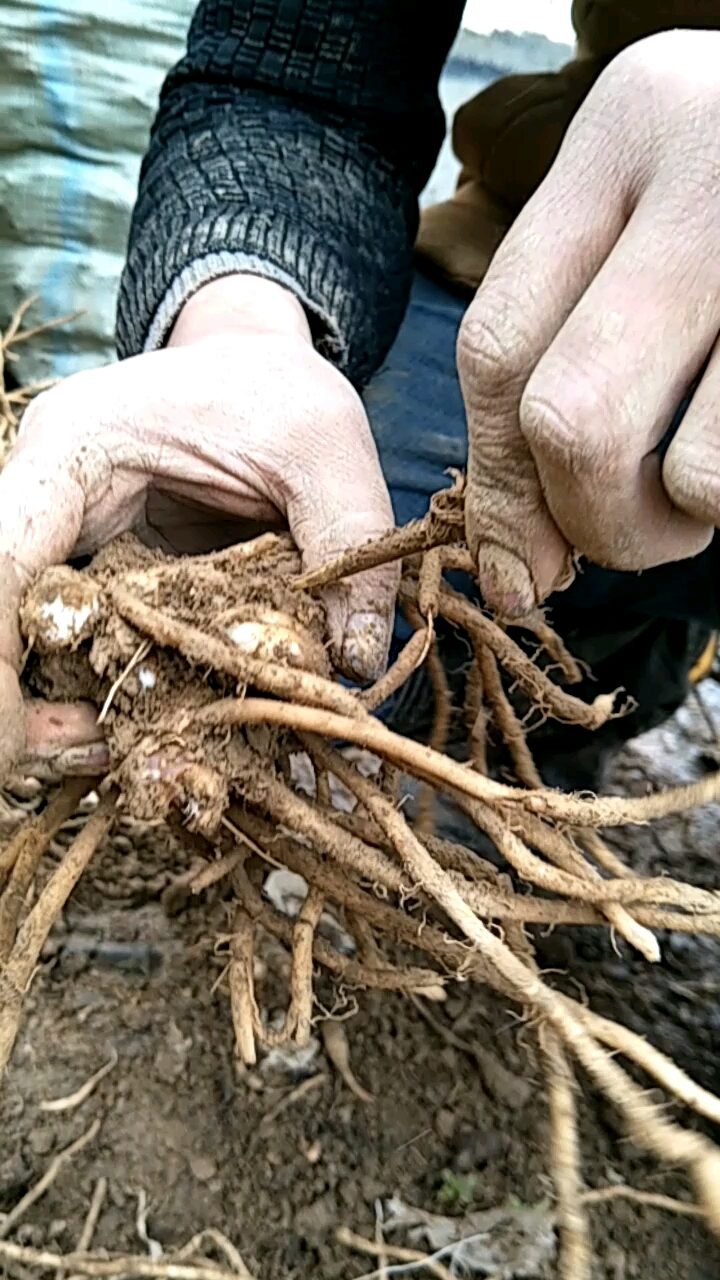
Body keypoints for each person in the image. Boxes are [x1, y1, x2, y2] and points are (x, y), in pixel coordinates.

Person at [3, 0, 720, 789]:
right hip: (576, 272)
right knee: (299, 568)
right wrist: (241, 324)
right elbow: (300, 80)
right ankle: (594, 690)